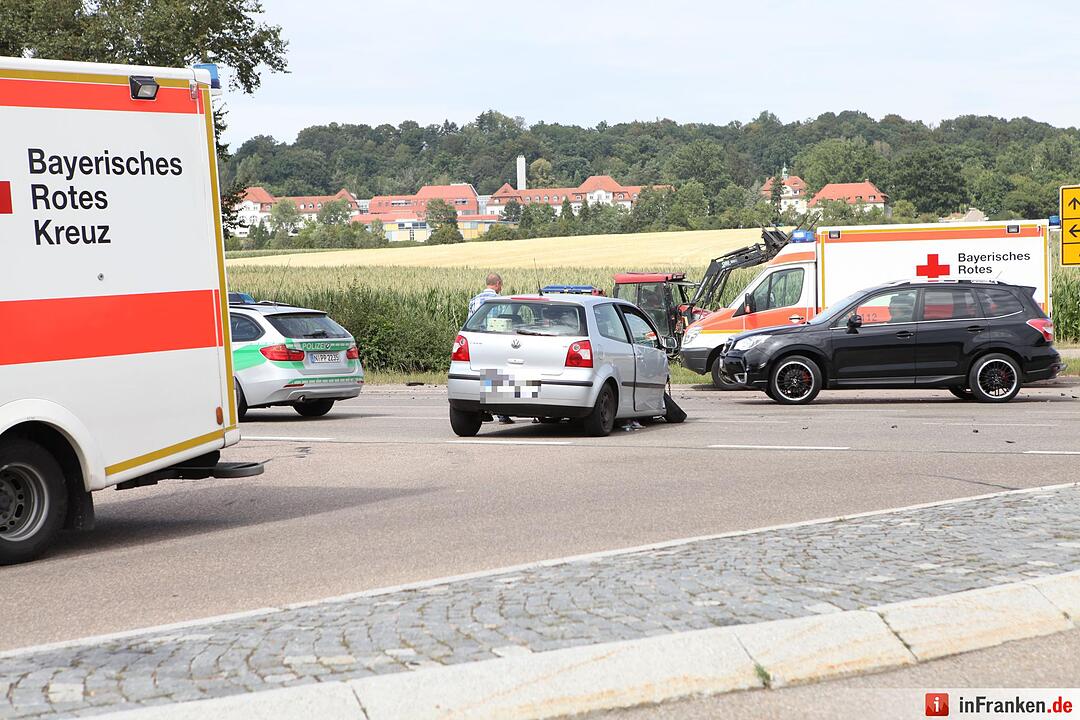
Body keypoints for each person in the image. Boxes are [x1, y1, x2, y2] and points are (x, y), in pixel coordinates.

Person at [468, 273, 513, 424]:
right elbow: (503, 323)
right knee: (497, 378)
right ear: (498, 283)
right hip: (494, 342)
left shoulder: (474, 300)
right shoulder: (499, 301)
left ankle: (483, 411)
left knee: (482, 377)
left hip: (477, 343)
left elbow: (470, 321)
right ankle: (502, 414)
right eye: (501, 285)